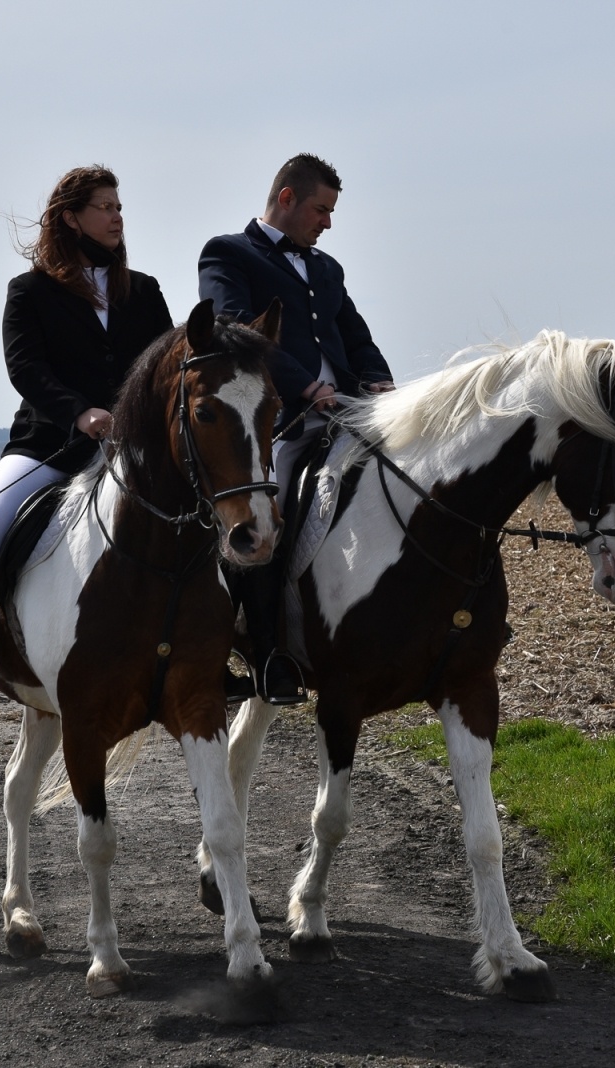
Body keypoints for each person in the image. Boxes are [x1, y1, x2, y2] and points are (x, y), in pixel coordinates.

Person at [0, 165, 174, 700]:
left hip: (133, 448)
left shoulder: (143, 290)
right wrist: (80, 412)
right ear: (72, 217)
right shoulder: (29, 291)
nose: (118, 216)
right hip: (52, 443)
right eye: (106, 206)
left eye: (119, 206)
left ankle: (218, 643)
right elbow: (26, 369)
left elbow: (166, 364)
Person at [198, 153, 395, 703]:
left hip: (354, 411)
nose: (327, 223)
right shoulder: (227, 254)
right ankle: (268, 652)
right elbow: (235, 329)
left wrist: (379, 381)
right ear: (286, 197)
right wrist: (308, 388)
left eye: (331, 212)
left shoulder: (327, 268)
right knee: (267, 521)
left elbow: (355, 336)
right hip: (285, 420)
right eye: (321, 209)